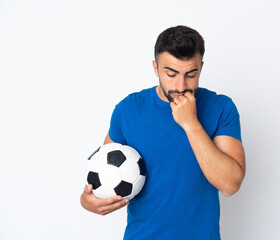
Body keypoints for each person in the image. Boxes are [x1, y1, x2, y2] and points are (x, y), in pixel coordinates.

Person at [81, 25, 246, 240]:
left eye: (191, 74)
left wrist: (191, 124)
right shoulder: (128, 110)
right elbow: (104, 176)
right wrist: (88, 202)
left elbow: (230, 184)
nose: (181, 85)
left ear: (201, 68)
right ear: (156, 68)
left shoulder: (221, 107)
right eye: (171, 73)